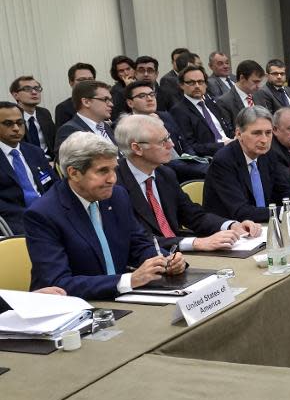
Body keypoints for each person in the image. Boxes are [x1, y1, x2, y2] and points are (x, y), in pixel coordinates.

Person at [24, 132, 186, 300]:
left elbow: (138, 244)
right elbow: (58, 284)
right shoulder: (43, 214)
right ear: (74, 173)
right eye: (103, 171)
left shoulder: (117, 196)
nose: (113, 179)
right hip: (77, 307)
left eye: (113, 169)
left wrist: (165, 261)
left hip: (122, 296)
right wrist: (128, 280)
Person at [114, 114, 261, 251]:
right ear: (137, 148)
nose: (171, 145)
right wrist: (196, 243)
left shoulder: (165, 174)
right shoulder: (114, 184)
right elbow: (136, 238)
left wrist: (231, 225)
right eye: (162, 141)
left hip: (177, 255)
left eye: (169, 138)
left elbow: (194, 215)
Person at [203, 106, 290, 223]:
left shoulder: (267, 154)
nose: (264, 140)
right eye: (256, 133)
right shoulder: (224, 161)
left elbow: (282, 192)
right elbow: (241, 211)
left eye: (268, 133)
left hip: (264, 226)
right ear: (239, 134)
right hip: (231, 233)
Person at [124, 80, 207, 182]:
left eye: (152, 94)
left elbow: (184, 144)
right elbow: (158, 160)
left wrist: (196, 159)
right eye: (142, 96)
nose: (149, 99)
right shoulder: (128, 126)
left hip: (186, 162)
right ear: (130, 103)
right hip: (165, 171)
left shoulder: (165, 116)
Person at [0, 102, 57, 235]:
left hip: (48, 210)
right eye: (8, 124)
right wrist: (34, 214)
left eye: (20, 123)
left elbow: (54, 184)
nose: (16, 128)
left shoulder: (34, 151)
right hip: (15, 218)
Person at [169, 65, 234, 157]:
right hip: (213, 155)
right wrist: (222, 145)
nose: (197, 86)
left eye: (200, 82)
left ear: (206, 84)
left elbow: (227, 129)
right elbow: (192, 146)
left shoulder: (211, 103)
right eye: (191, 83)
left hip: (231, 147)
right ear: (181, 85)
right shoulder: (179, 111)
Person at [54, 80, 117, 156]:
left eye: (110, 100)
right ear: (86, 102)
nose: (111, 104)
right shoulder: (70, 131)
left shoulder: (106, 127)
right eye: (105, 99)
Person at [254, 59, 290, 124]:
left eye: (282, 74)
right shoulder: (263, 92)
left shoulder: (289, 90)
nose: (279, 77)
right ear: (267, 76)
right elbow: (269, 118)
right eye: (275, 74)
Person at [10, 76, 55, 161]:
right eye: (27, 89)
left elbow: (54, 141)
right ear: (15, 95)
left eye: (37, 88)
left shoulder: (44, 113)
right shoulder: (11, 117)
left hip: (50, 162)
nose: (34, 92)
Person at [217, 60, 265, 128]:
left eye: (259, 82)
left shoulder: (259, 95)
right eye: (255, 82)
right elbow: (229, 131)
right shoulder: (224, 102)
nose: (258, 86)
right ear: (242, 78)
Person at [54, 63, 96, 129]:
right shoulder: (63, 108)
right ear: (71, 83)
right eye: (81, 80)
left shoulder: (101, 102)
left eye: (90, 79)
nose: (87, 83)